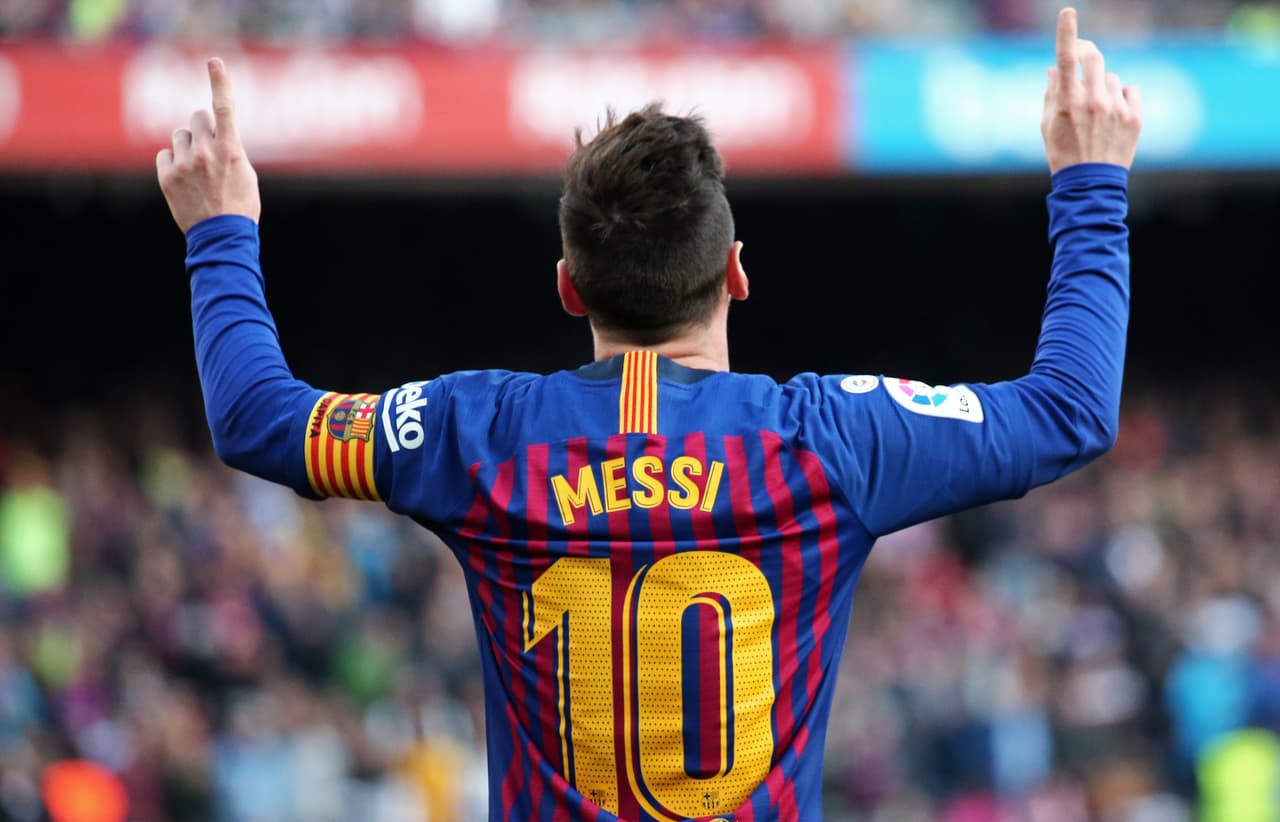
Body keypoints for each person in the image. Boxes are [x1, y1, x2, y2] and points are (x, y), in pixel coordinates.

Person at [155, 8, 1142, 820]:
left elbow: (256, 418)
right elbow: (1067, 410)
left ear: (566, 288)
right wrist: (1088, 184)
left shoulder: (479, 436)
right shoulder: (828, 443)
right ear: (734, 273)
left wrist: (219, 231)